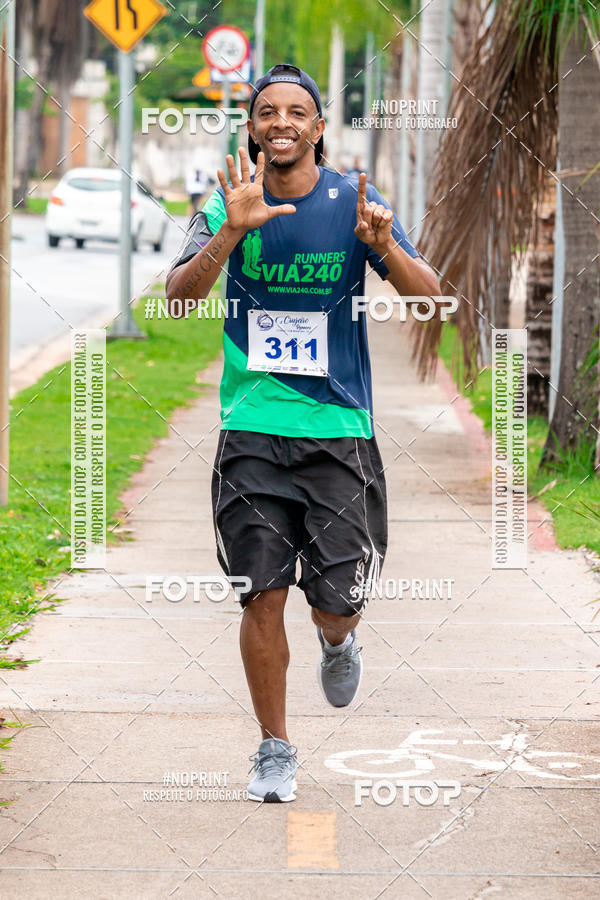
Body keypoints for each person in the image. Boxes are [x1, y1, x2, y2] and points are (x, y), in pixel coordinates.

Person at [165, 64, 440, 803]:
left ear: (318, 128)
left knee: (335, 599)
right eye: (267, 112)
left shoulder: (358, 200)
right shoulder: (225, 202)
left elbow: (428, 301)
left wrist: (382, 247)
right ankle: (274, 748)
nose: (281, 122)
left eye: (297, 112)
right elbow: (180, 298)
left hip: (338, 430)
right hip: (252, 431)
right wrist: (230, 229)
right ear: (251, 127)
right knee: (261, 594)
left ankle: (338, 637)